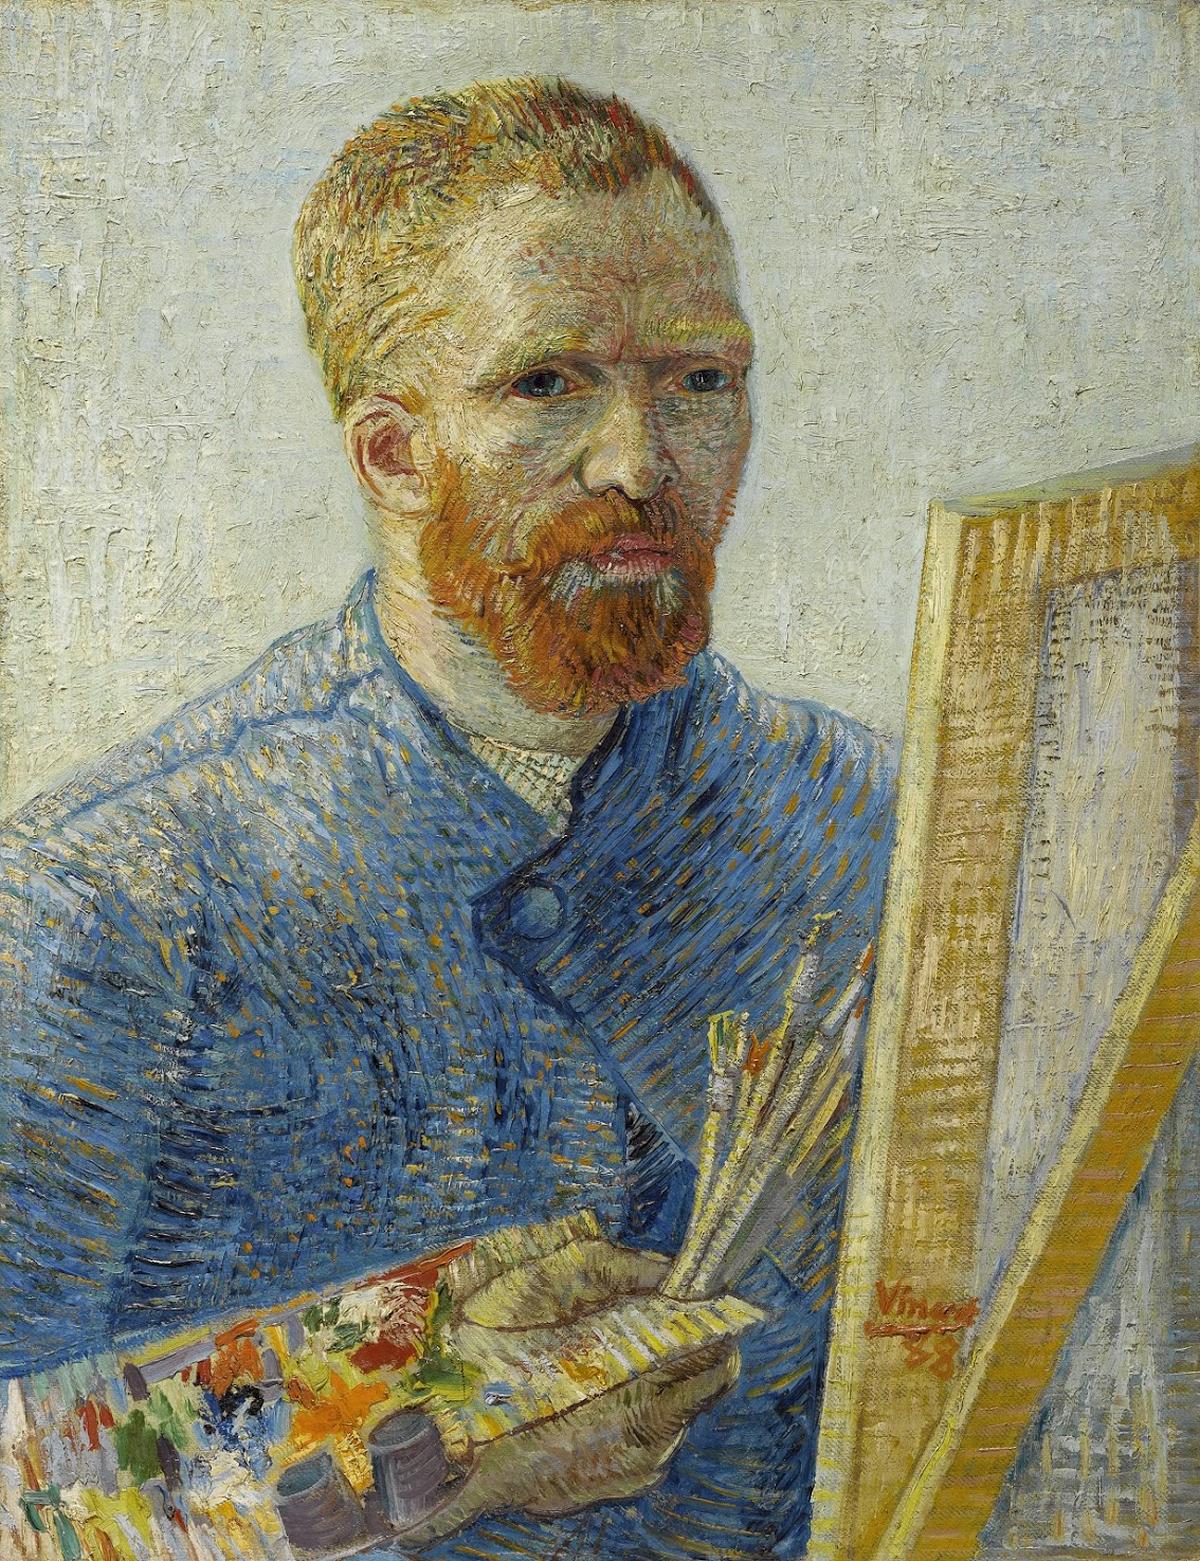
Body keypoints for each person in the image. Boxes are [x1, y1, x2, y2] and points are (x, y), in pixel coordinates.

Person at [0, 77, 895, 1558]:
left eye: (698, 380)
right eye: (547, 386)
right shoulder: (107, 900)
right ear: (391, 454)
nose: (640, 464)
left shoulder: (876, 821)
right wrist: (435, 1411)